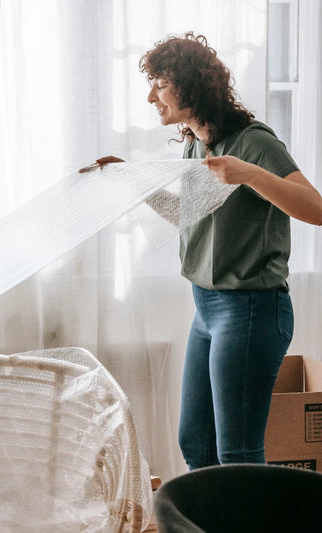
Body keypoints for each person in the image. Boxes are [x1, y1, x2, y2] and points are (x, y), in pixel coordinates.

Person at [135, 32, 322, 470]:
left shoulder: (254, 142)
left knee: (237, 453)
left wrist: (251, 174)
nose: (151, 96)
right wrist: (132, 187)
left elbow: (316, 210)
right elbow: (191, 216)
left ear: (191, 86)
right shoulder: (194, 145)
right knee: (196, 444)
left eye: (160, 84)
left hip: (251, 309)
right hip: (207, 308)